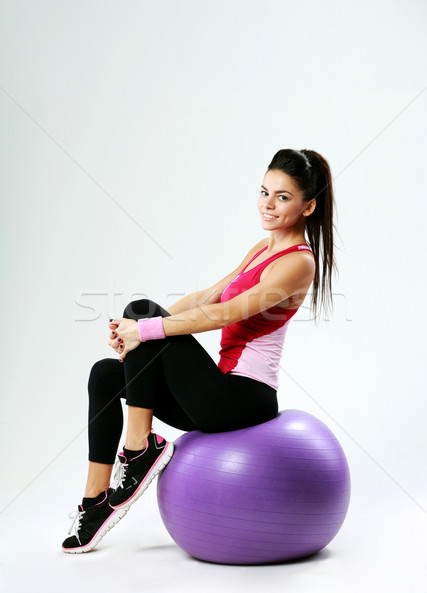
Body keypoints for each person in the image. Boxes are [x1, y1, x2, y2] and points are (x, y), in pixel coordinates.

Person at [62, 148, 337, 554]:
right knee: (104, 373)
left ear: (308, 205)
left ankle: (138, 452)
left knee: (143, 316)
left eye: (282, 196)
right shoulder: (261, 250)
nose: (268, 203)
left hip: (244, 399)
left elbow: (224, 313)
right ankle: (95, 500)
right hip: (213, 394)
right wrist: (135, 335)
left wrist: (146, 327)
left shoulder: (298, 263)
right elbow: (208, 296)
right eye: (264, 192)